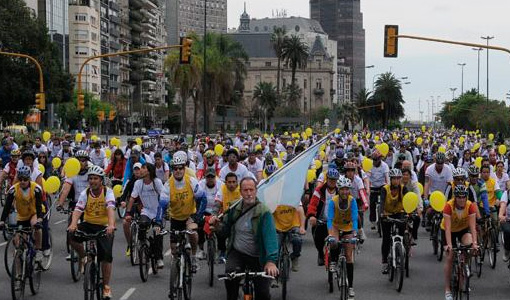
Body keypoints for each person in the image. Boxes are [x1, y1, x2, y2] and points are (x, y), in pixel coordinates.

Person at [209, 177, 279, 300]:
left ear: (256, 191)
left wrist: (271, 261)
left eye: (251, 190)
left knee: (263, 294)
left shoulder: (264, 212)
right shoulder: (233, 208)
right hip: (238, 253)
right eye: (245, 190)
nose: (248, 193)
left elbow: (271, 238)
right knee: (230, 277)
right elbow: (224, 231)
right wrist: (217, 226)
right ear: (240, 192)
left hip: (258, 256)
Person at [68, 166, 116, 300]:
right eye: (90, 178)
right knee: (71, 236)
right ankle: (83, 256)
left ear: (101, 180)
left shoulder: (108, 192)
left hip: (104, 225)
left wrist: (111, 225)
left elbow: (111, 208)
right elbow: (78, 209)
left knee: (106, 256)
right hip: (88, 224)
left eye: (95, 178)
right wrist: (73, 224)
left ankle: (106, 286)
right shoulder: (86, 193)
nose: (92, 181)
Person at [156, 151, 207, 272]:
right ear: (172, 170)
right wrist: (158, 222)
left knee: (193, 234)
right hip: (176, 218)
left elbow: (203, 199)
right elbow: (161, 206)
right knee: (174, 249)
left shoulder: (191, 181)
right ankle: (176, 274)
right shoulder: (168, 185)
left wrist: (196, 217)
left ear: (184, 168)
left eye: (181, 168)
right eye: (175, 168)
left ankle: (193, 258)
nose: (178, 171)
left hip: (190, 216)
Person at [0, 166, 44, 263]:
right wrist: (2, 221)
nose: (23, 181)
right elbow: (7, 207)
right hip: (22, 216)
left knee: (36, 226)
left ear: (29, 179)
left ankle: (38, 250)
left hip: (34, 213)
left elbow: (38, 206)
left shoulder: (36, 188)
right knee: (18, 246)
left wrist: (40, 219)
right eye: (20, 179)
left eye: (25, 179)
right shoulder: (13, 190)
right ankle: (18, 276)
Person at [125, 163, 165, 268]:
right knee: (141, 225)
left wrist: (164, 212)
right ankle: (143, 246)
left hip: (157, 211)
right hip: (146, 211)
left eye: (143, 168)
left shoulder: (157, 182)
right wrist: (128, 213)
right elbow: (132, 198)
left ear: (149, 171)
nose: (140, 170)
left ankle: (159, 257)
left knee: (157, 232)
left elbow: (163, 198)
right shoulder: (138, 183)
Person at [442, 185, 478, 300]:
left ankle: (464, 265)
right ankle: (447, 289)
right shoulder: (448, 206)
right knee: (450, 256)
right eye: (459, 197)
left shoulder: (470, 206)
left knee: (469, 245)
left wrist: (475, 243)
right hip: (449, 231)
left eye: (464, 197)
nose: (462, 199)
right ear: (455, 197)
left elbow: (472, 227)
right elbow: (447, 228)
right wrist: (449, 245)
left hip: (463, 229)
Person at [326, 176, 358, 298]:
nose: (345, 192)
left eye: (347, 189)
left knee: (349, 257)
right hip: (335, 226)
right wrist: (330, 234)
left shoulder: (352, 201)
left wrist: (354, 233)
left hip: (348, 227)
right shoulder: (333, 201)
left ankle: (350, 287)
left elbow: (355, 218)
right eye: (342, 189)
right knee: (334, 242)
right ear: (338, 189)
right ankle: (333, 261)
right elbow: (329, 219)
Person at [307, 167, 340, 266]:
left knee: (338, 243)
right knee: (317, 237)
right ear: (327, 179)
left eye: (334, 180)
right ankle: (321, 254)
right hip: (321, 220)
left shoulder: (340, 191)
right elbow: (312, 204)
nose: (332, 182)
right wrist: (312, 216)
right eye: (330, 179)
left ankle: (335, 259)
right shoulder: (319, 190)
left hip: (335, 221)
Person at [380, 168, 408, 274]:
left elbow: (408, 200)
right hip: (386, 215)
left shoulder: (403, 188)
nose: (396, 181)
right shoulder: (385, 189)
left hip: (399, 213)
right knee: (386, 239)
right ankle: (385, 263)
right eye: (394, 179)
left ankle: (402, 253)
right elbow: (382, 202)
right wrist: (381, 214)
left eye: (398, 178)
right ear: (390, 179)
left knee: (402, 233)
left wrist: (409, 212)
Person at [368, 150, 390, 230]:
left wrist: (388, 188)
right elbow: (368, 178)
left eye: (376, 159)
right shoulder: (370, 165)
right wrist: (368, 188)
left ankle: (386, 215)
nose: (374, 161)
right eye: (373, 159)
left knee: (385, 202)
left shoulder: (385, 166)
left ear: (380, 159)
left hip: (382, 186)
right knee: (372, 203)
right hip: (373, 186)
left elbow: (387, 178)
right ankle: (373, 221)